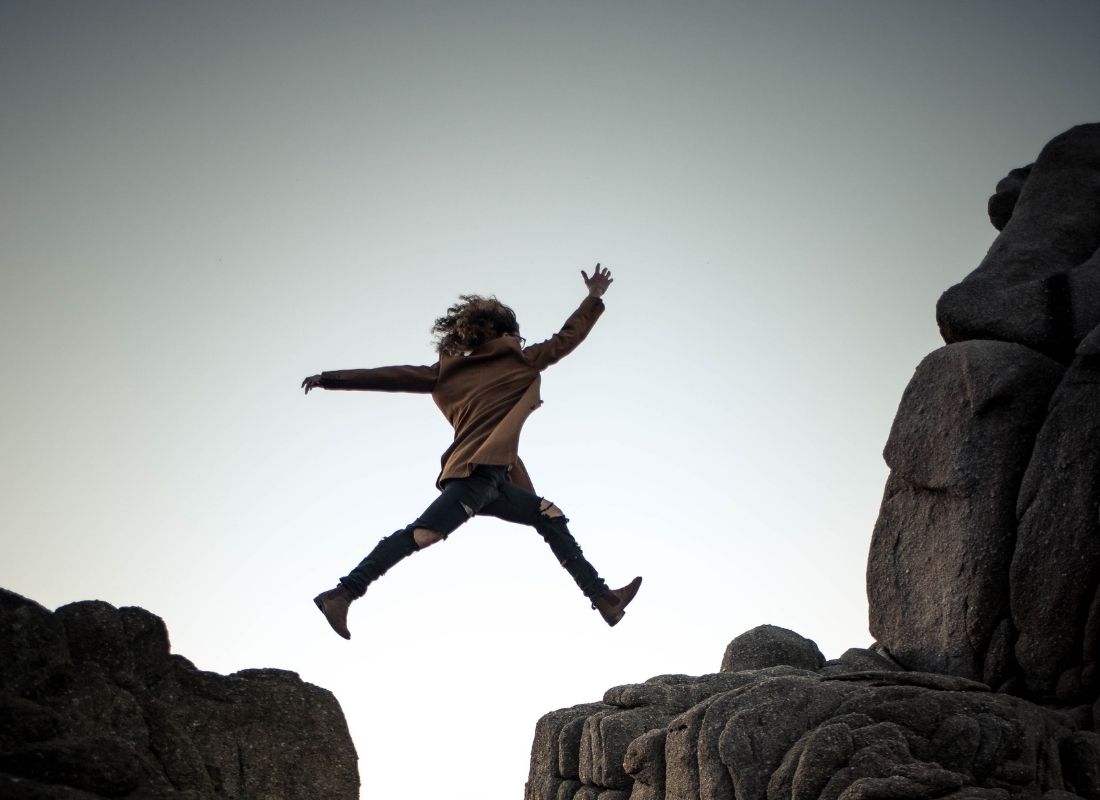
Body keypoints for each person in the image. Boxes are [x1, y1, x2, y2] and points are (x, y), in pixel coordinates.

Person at [302, 264, 641, 639]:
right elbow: (567, 338)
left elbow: (390, 375)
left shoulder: (447, 372)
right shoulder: (519, 360)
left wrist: (331, 379)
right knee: (424, 533)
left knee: (549, 515)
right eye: (516, 333)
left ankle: (604, 599)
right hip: (474, 475)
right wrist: (593, 297)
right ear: (504, 332)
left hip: (495, 478)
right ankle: (344, 593)